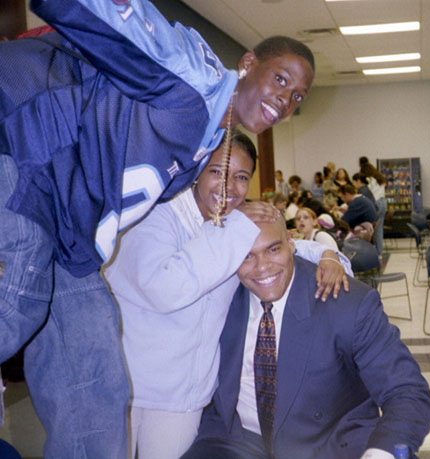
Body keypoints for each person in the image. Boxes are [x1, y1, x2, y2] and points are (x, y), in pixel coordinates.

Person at [0, 0, 315, 455]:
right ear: (248, 64)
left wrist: (325, 252)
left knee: (98, 383)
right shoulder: (194, 74)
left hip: (66, 229)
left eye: (297, 96)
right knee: (16, 306)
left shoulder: (201, 145)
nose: (284, 100)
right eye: (281, 80)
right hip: (23, 158)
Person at [104, 129, 351, 459]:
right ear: (197, 171)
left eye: (240, 177)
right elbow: (164, 288)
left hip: (185, 397)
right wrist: (236, 228)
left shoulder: (236, 222)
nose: (227, 187)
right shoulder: (158, 213)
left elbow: (286, 246)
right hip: (129, 385)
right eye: (217, 172)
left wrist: (328, 252)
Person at [181, 214, 430, 459]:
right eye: (246, 256)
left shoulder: (348, 304)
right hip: (238, 442)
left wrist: (379, 454)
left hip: (330, 445)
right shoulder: (217, 299)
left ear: (292, 243)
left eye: (273, 250)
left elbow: (408, 392)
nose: (262, 268)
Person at [359, 157, 388, 255]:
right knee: (379, 229)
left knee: (370, 228)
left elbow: (367, 193)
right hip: (383, 202)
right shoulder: (379, 178)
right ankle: (379, 252)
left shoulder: (368, 179)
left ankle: (370, 252)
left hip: (375, 203)